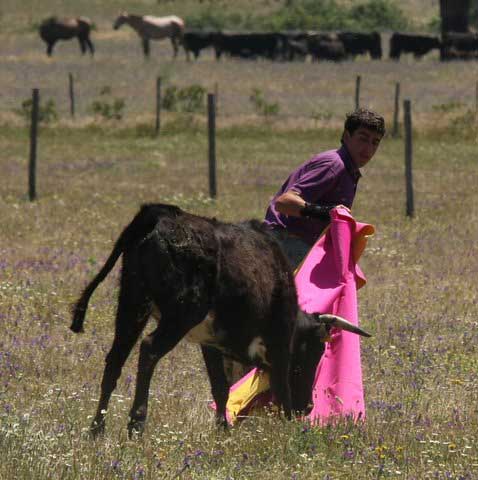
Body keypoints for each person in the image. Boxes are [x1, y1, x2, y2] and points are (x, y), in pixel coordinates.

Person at [264, 108, 385, 269]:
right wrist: (328, 212)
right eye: (363, 139)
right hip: (286, 242)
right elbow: (284, 203)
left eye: (375, 142)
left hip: (297, 243)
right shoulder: (334, 165)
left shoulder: (349, 169)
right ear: (346, 136)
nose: (368, 149)